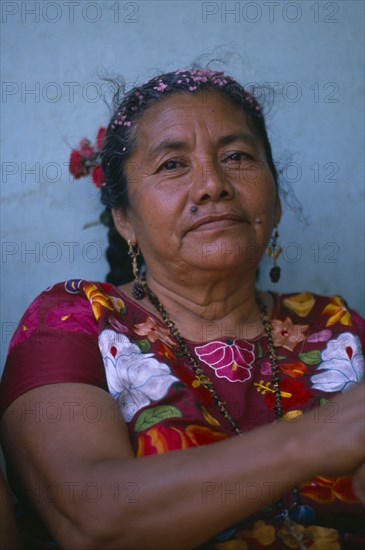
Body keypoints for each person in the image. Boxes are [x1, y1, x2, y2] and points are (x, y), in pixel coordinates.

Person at [0, 67, 364, 550]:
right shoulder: (73, 319)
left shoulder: (336, 327)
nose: (213, 185)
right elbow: (90, 517)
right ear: (125, 219)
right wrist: (309, 442)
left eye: (236, 156)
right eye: (172, 165)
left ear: (275, 204)